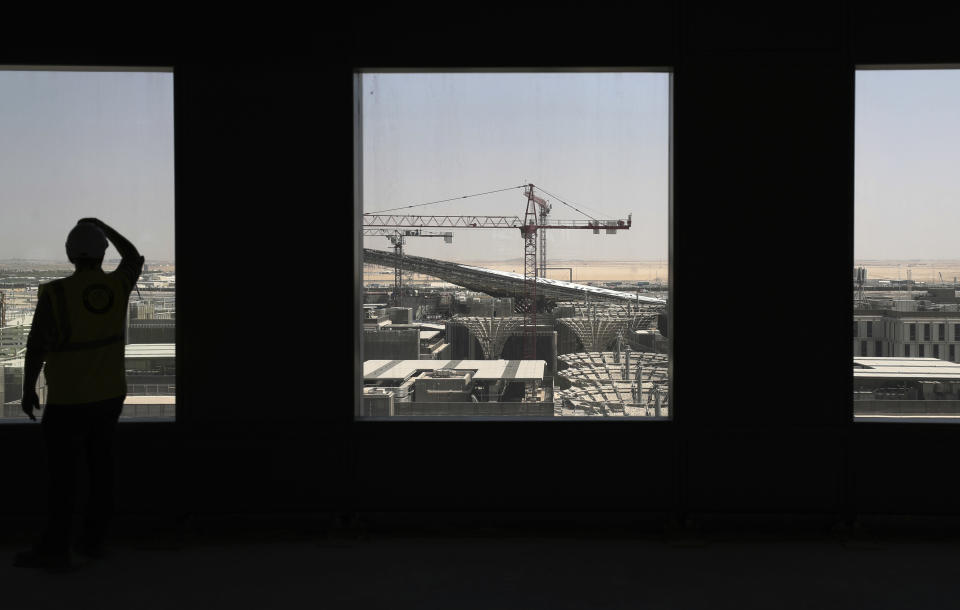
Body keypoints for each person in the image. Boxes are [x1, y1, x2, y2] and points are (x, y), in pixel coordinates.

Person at [13, 219, 144, 571]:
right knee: (101, 471)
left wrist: (27, 390)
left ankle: (55, 549)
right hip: (109, 396)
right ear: (103, 253)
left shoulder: (55, 294)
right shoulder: (118, 285)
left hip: (68, 399)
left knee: (62, 479)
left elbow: (36, 347)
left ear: (70, 255)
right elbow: (133, 256)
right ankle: (93, 542)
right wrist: (103, 227)